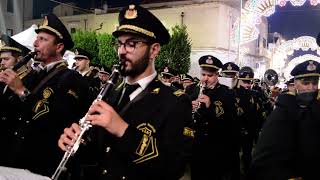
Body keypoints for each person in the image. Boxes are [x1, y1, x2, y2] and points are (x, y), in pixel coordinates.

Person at [58, 4, 193, 180]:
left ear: (154, 50)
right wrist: (78, 143)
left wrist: (122, 129)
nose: (122, 51)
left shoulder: (175, 102)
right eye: (120, 44)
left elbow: (174, 167)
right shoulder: (110, 93)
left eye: (131, 44)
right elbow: (99, 154)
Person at [0, 13, 90, 177]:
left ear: (59, 47)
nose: (35, 43)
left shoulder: (71, 79)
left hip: (41, 165)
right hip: (14, 159)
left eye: (42, 39)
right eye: (37, 39)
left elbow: (57, 119)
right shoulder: (30, 74)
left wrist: (21, 91)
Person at [249, 60, 320, 180]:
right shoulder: (283, 112)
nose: (311, 88)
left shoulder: (316, 108)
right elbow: (265, 157)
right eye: (306, 83)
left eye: (314, 83)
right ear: (295, 84)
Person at [185, 55, 238, 180]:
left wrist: (210, 106)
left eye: (210, 76)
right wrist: (188, 108)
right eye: (203, 74)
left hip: (215, 146)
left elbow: (230, 120)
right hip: (195, 144)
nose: (205, 79)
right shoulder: (191, 89)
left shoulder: (227, 92)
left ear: (217, 75)